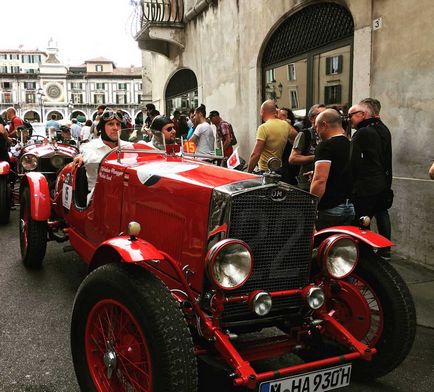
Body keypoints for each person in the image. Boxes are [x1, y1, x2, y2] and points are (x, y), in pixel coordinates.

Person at [348, 100, 393, 259]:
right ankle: (385, 250)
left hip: (366, 183)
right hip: (383, 180)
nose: (349, 119)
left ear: (363, 115)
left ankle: (364, 253)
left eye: (351, 115)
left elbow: (353, 161)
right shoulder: (383, 129)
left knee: (362, 218)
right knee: (381, 212)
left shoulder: (363, 132)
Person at [309, 109, 354, 229]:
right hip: (350, 206)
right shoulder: (352, 144)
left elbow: (320, 180)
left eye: (317, 127)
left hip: (330, 207)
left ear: (324, 125)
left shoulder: (325, 146)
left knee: (323, 245)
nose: (317, 132)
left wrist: (311, 206)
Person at [75, 109, 127, 203]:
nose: (115, 128)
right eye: (111, 124)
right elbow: (91, 160)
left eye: (118, 124)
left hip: (127, 196)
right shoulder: (89, 147)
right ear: (102, 127)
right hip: (98, 199)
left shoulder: (129, 146)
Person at [247, 100, 296, 174]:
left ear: (263, 111)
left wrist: (248, 172)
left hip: (264, 170)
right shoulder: (285, 125)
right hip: (278, 169)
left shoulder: (263, 127)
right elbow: (297, 137)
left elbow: (256, 154)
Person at [289, 104, 326, 191]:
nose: (326, 117)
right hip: (307, 184)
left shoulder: (330, 134)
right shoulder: (305, 134)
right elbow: (293, 158)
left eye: (327, 114)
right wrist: (317, 157)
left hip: (325, 182)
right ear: (312, 119)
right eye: (321, 115)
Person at [278, 107, 299, 185]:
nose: (280, 117)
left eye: (283, 115)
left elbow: (295, 141)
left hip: (290, 164)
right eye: (279, 115)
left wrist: (287, 125)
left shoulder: (294, 129)